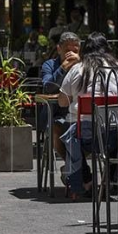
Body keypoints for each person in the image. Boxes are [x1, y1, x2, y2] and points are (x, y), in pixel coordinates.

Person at [58, 33, 118, 199]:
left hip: (85, 136)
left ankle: (83, 181)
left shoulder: (78, 68)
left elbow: (62, 102)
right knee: (116, 134)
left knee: (69, 135)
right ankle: (113, 179)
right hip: (114, 135)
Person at [40, 32, 80, 162]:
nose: (71, 54)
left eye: (75, 50)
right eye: (67, 50)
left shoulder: (83, 65)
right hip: (56, 114)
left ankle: (75, 169)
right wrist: (63, 68)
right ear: (59, 49)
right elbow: (48, 88)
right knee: (56, 129)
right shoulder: (49, 65)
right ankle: (73, 167)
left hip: (80, 114)